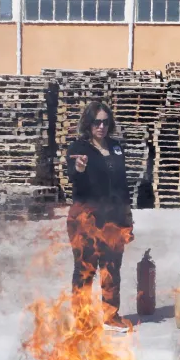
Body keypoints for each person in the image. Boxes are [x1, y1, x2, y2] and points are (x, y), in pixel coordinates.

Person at [66, 101, 134, 332]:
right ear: (88, 123)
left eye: (105, 122)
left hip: (113, 219)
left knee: (112, 267)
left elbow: (123, 185)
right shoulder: (78, 148)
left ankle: (111, 316)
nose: (101, 126)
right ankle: (82, 320)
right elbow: (73, 176)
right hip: (86, 218)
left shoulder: (116, 148)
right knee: (85, 269)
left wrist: (127, 218)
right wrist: (79, 168)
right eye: (97, 122)